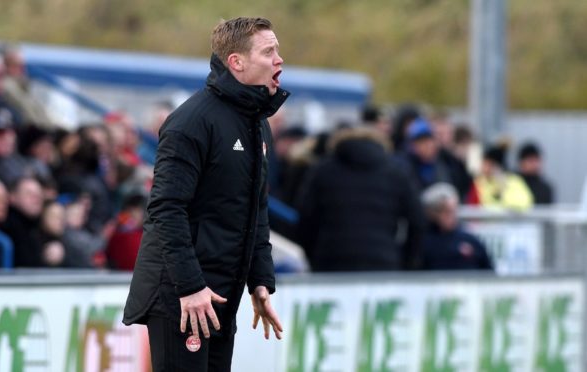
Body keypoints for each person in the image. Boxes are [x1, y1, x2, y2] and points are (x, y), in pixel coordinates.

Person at [123, 17, 288, 371]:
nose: (279, 60)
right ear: (236, 62)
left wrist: (260, 280)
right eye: (269, 51)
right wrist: (190, 287)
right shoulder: (192, 122)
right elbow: (166, 209)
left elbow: (255, 210)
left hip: (219, 294)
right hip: (179, 295)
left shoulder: (256, 123)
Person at [296, 127, 425, 271]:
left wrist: (314, 256)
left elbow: (305, 218)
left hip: (332, 259)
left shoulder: (322, 170)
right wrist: (406, 261)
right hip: (383, 259)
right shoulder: (397, 172)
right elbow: (417, 221)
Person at [421, 183, 493, 270]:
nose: (452, 216)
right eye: (445, 211)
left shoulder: (469, 239)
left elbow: (489, 271)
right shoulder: (424, 244)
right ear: (432, 213)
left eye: (454, 210)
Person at [468, 142, 534, 210]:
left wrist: (502, 188)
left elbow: (524, 202)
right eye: (484, 164)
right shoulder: (479, 183)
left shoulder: (514, 181)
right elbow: (475, 205)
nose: (485, 168)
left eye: (490, 165)